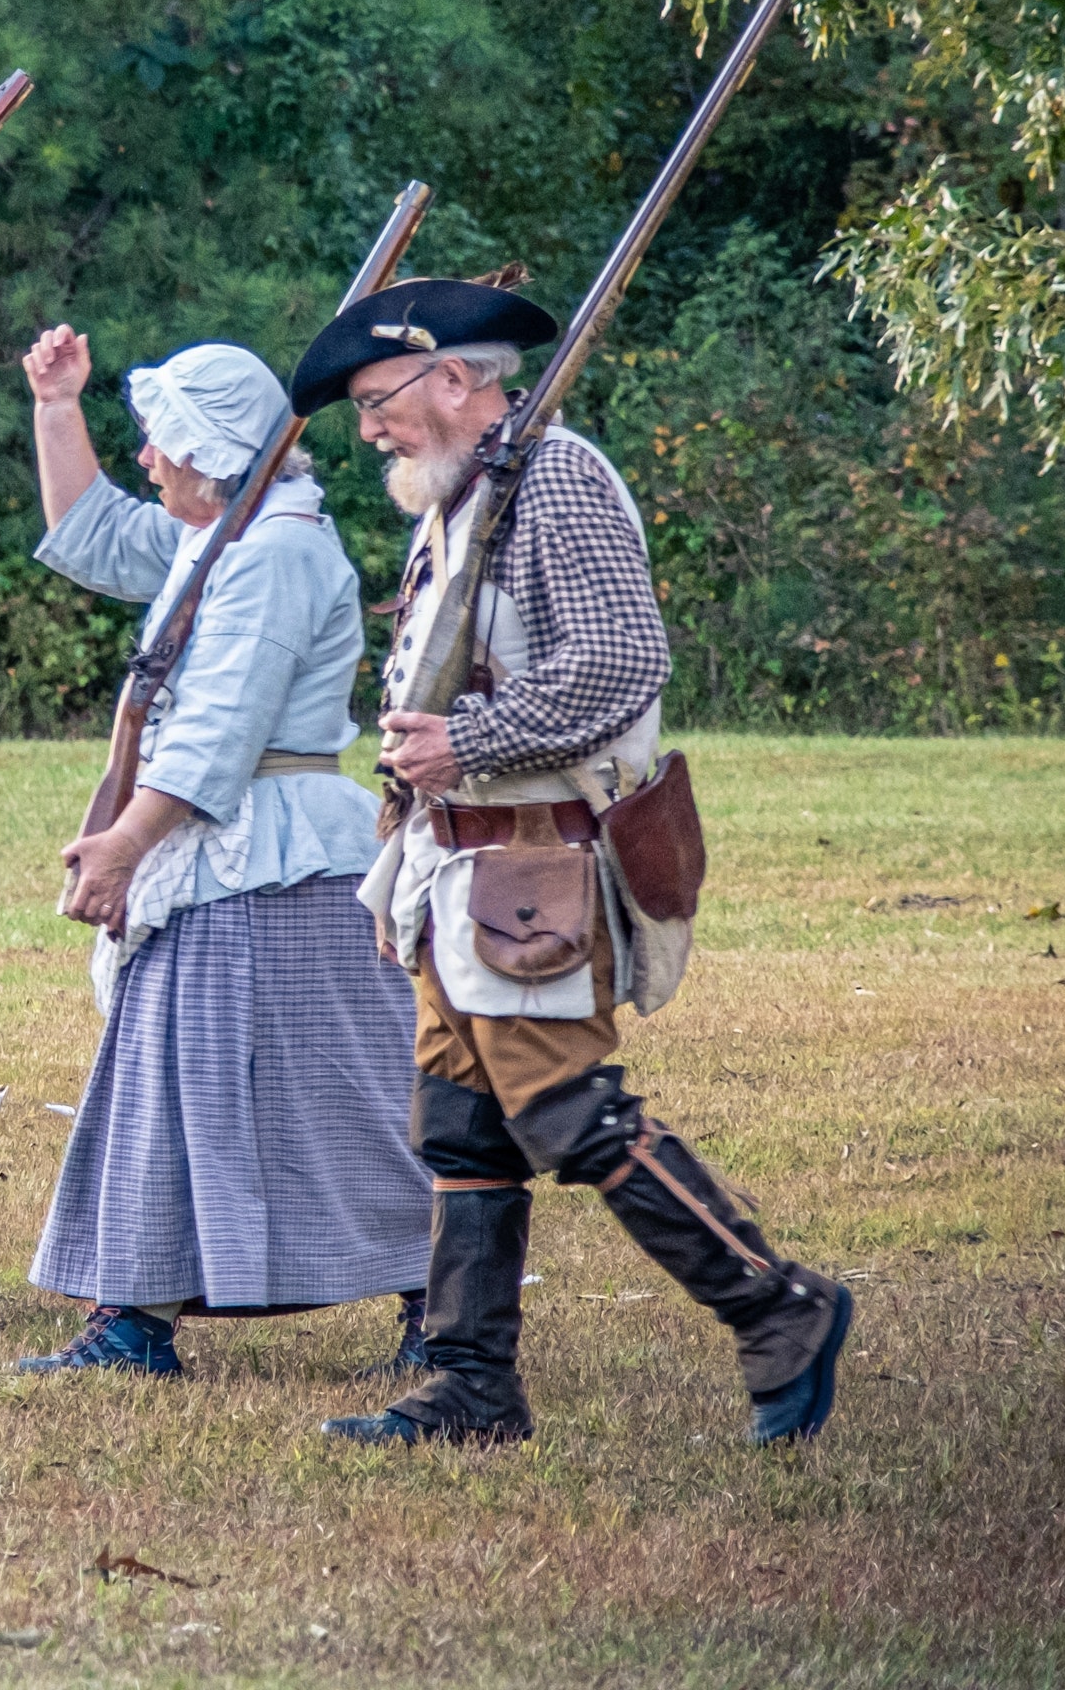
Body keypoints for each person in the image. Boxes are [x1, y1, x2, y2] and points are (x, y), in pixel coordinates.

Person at [298, 278, 853, 1446]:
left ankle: (776, 1302)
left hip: (536, 865)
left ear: (456, 376)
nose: (368, 428)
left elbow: (619, 662)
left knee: (568, 1112)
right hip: (459, 873)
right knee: (461, 1128)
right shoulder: (456, 501)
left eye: (378, 398)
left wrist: (470, 740)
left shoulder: (556, 481)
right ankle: (472, 1386)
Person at [11, 327, 428, 1376]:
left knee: (349, 1100)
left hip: (271, 861)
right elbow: (99, 534)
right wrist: (57, 409)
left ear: (211, 453)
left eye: (160, 444)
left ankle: (449, 1313)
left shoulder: (278, 552)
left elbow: (218, 731)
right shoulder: (225, 538)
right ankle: (138, 1320)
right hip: (229, 855)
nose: (146, 461)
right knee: (166, 1079)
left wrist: (121, 846)